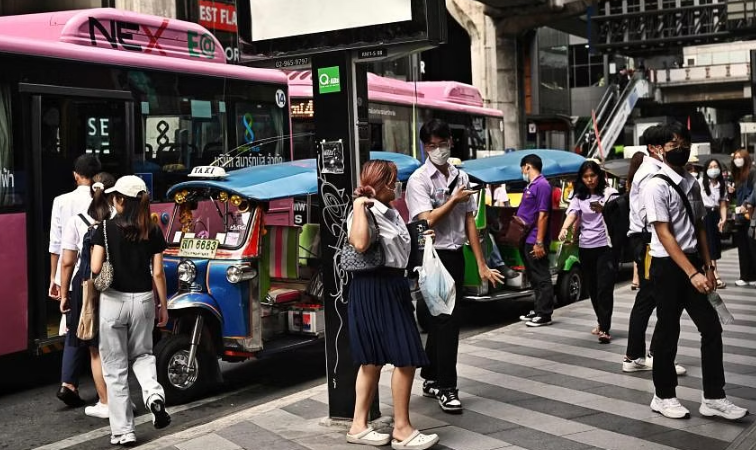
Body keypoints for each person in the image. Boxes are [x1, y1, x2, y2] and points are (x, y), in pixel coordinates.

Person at [641, 127, 747, 421]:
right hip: (668, 265)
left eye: (684, 143)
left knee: (712, 327)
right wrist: (691, 273)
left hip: (692, 265)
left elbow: (701, 227)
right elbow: (664, 234)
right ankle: (663, 396)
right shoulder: (655, 186)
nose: (681, 147)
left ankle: (713, 397)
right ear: (660, 149)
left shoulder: (691, 183)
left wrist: (709, 267)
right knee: (668, 330)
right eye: (674, 143)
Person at [406, 119, 504, 414]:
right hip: (432, 257)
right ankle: (447, 387)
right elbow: (425, 220)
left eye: (441, 144)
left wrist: (482, 264)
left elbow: (470, 221)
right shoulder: (419, 180)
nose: (437, 150)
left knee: (442, 319)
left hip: (455, 256)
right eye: (431, 146)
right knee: (448, 323)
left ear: (451, 141)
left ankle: (430, 376)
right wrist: (452, 200)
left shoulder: (461, 177)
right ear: (424, 147)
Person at [345, 160, 439, 450]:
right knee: (406, 356)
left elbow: (398, 249)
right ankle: (401, 428)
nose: (398, 185)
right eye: (394, 180)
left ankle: (358, 426)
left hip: (392, 286)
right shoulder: (364, 211)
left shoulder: (394, 213)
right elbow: (360, 243)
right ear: (382, 183)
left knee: (373, 360)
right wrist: (360, 204)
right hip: (376, 286)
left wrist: (420, 238)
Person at [91, 176, 170, 446]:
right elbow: (158, 273)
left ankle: (124, 431)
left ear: (120, 200)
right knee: (144, 355)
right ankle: (153, 396)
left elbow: (94, 268)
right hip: (145, 301)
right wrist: (164, 307)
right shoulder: (153, 229)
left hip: (113, 301)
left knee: (114, 368)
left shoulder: (103, 229)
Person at [623, 124, 686, 376]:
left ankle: (642, 354)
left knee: (652, 298)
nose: (676, 149)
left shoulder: (655, 169)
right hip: (650, 240)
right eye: (671, 144)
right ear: (654, 147)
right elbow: (652, 214)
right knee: (651, 297)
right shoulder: (651, 172)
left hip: (649, 238)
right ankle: (641, 355)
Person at [58, 172, 114, 419]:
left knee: (91, 345)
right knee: (114, 346)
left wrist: (63, 293)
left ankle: (103, 400)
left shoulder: (76, 221)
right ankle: (117, 399)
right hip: (113, 286)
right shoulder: (117, 219)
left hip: (85, 288)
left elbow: (68, 261)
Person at [50, 154, 101, 407]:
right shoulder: (105, 202)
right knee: (96, 330)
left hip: (74, 275)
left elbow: (56, 246)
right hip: (97, 275)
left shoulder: (61, 201)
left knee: (73, 327)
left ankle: (68, 383)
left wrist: (56, 279)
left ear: (75, 175)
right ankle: (106, 393)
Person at [558, 161, 619, 343]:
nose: (590, 180)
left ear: (599, 176)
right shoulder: (579, 196)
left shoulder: (609, 194)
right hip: (586, 247)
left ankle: (605, 329)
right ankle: (601, 322)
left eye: (593, 175)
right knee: (592, 288)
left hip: (605, 247)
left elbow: (619, 215)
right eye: (586, 177)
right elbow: (572, 213)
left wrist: (605, 210)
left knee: (604, 288)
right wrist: (564, 229)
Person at [517, 154, 554, 327]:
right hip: (526, 238)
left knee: (542, 275)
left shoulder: (542, 185)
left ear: (527, 167)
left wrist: (539, 242)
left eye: (522, 168)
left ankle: (545, 314)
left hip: (535, 239)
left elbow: (543, 214)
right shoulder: (530, 186)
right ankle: (538, 308)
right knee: (533, 275)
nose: (522, 172)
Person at [699, 158, 729, 289]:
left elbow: (723, 204)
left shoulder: (721, 184)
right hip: (704, 215)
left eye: (715, 166)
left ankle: (710, 271)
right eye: (710, 167)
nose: (713, 169)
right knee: (708, 244)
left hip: (715, 214)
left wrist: (723, 219)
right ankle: (714, 273)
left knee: (715, 245)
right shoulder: (700, 183)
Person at [729, 149, 756, 287]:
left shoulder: (752, 172)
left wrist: (747, 203)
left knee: (752, 245)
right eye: (736, 157)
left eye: (740, 157)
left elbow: (754, 193)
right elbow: (735, 199)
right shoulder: (736, 175)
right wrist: (731, 193)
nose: (737, 160)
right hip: (740, 216)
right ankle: (746, 276)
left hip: (750, 214)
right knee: (743, 247)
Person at [627, 152, 646, 291]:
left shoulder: (630, 180)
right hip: (644, 227)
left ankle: (635, 279)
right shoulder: (644, 179)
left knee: (637, 257)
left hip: (634, 226)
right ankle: (639, 279)